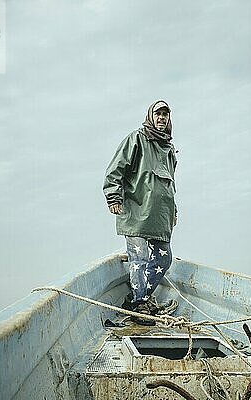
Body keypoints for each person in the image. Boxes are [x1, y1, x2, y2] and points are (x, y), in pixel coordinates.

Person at [103, 100, 178, 322]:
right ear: (150, 116)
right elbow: (115, 169)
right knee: (140, 258)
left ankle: (141, 299)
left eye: (166, 114)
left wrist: (173, 211)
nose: (162, 118)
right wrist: (113, 196)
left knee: (164, 259)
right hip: (136, 211)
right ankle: (138, 305)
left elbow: (170, 184)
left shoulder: (169, 149)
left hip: (159, 216)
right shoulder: (137, 139)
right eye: (158, 114)